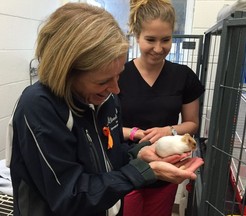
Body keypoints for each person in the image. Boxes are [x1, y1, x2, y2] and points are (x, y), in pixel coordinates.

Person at [6, 3, 204, 216]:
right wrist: (142, 171)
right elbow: (70, 195)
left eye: (118, 75)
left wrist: (140, 153)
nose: (116, 88)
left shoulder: (106, 99)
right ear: (67, 72)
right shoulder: (39, 107)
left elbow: (111, 155)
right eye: (102, 81)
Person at [118, 0, 205, 215]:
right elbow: (104, 128)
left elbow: (192, 123)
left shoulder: (183, 76)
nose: (158, 48)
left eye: (166, 40)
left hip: (166, 169)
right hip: (125, 167)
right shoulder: (118, 75)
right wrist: (137, 134)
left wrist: (170, 130)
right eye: (150, 40)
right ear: (137, 36)